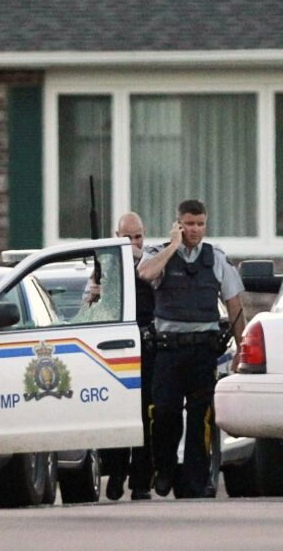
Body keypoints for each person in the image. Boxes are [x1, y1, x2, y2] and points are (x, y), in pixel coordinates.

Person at [138, 199, 244, 498]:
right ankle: (165, 468)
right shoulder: (158, 253)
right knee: (165, 414)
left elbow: (235, 304)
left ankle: (196, 481)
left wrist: (242, 348)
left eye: (200, 224)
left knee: (201, 419)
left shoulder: (216, 257)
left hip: (203, 351)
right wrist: (173, 247)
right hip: (169, 352)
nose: (194, 230)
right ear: (178, 223)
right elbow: (145, 274)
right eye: (189, 224)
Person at [84, 212, 157, 501]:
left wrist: (138, 257)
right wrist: (96, 293)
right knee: (116, 412)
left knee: (146, 416)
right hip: (115, 350)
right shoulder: (105, 265)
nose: (133, 242)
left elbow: (158, 286)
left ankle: (141, 482)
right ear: (116, 237)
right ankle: (115, 473)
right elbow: (88, 306)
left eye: (137, 236)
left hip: (147, 347)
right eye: (126, 237)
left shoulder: (152, 262)